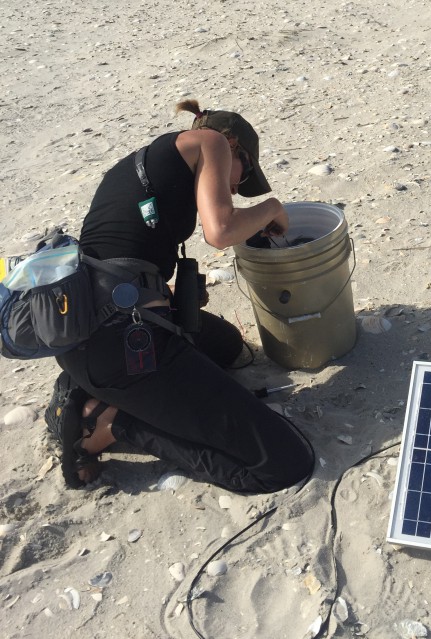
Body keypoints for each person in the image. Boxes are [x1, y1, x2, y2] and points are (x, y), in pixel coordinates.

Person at [45, 100, 314, 492]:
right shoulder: (211, 142)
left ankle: (85, 390)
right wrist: (271, 207)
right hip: (125, 345)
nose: (236, 187)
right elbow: (219, 231)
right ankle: (111, 426)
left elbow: (114, 252)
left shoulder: (140, 164)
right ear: (232, 144)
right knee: (286, 462)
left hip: (80, 335)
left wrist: (159, 290)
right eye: (244, 175)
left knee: (225, 345)